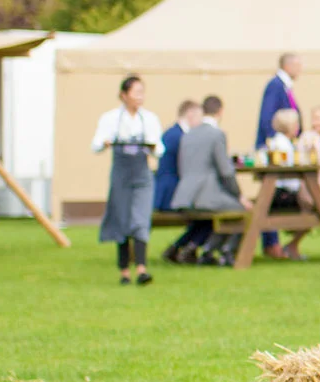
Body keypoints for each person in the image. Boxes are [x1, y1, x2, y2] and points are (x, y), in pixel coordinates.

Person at [91, 75, 164, 285]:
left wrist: (151, 147)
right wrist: (105, 143)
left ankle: (141, 268)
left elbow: (159, 148)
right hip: (121, 173)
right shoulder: (111, 118)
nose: (140, 97)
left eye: (142, 92)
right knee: (121, 219)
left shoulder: (149, 118)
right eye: (136, 92)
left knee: (140, 219)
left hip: (142, 172)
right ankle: (124, 271)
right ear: (123, 95)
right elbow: (96, 144)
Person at [170, 94, 240, 264]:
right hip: (205, 196)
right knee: (242, 211)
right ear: (220, 111)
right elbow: (226, 172)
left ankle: (204, 249)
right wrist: (238, 194)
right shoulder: (217, 135)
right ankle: (223, 251)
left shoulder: (188, 135)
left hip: (185, 196)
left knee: (222, 212)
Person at [255, 53, 302, 257]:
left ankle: (272, 243)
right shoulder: (275, 85)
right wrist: (275, 145)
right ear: (288, 65)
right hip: (277, 152)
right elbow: (268, 117)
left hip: (282, 146)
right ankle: (271, 242)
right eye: (299, 65)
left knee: (269, 195)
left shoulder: (284, 86)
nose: (301, 70)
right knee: (270, 193)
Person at [153, 98, 196, 215]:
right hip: (171, 193)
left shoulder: (173, 132)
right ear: (190, 114)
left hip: (166, 190)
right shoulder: (179, 137)